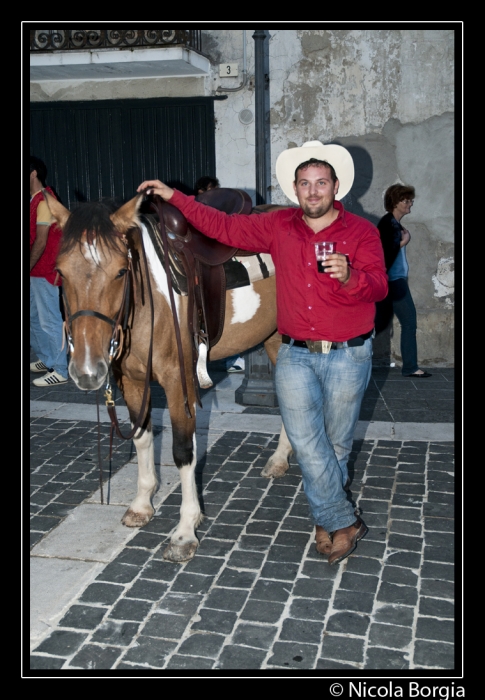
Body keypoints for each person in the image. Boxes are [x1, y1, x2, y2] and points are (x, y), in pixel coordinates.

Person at [138, 140, 388, 565]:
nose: (313, 192)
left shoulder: (361, 233)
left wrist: (350, 277)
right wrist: (175, 198)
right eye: (305, 184)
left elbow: (380, 288)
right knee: (309, 444)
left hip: (349, 355)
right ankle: (341, 519)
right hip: (294, 355)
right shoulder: (278, 227)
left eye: (321, 183)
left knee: (337, 444)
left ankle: (329, 520)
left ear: (336, 187)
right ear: (295, 189)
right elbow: (220, 226)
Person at [375, 184, 431, 378]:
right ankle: (410, 367)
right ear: (395, 202)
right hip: (393, 281)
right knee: (409, 322)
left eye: (410, 201)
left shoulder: (394, 223)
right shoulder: (388, 223)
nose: (410, 204)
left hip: (394, 280)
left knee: (377, 323)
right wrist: (402, 243)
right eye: (406, 201)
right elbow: (383, 253)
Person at [195, 175, 245, 373]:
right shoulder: (198, 209)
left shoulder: (226, 208)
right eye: (205, 192)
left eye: (211, 191)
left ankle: (233, 355)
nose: (208, 196)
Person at [30, 156, 68, 386]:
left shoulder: (45, 201)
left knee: (49, 320)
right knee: (35, 318)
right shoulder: (33, 200)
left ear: (33, 174)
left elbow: (41, 242)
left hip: (45, 271)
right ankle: (47, 358)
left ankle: (61, 370)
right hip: (36, 270)